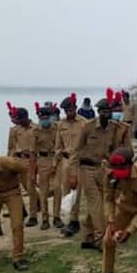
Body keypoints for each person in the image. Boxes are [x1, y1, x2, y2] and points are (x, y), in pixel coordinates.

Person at [71, 95, 126, 249]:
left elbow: (115, 149)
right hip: (86, 169)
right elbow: (77, 150)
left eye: (109, 111)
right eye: (103, 112)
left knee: (99, 203)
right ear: (98, 111)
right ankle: (102, 237)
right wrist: (73, 173)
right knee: (96, 204)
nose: (107, 115)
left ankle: (87, 237)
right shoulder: (87, 127)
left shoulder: (113, 128)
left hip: (102, 168)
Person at [55, 94, 87, 234]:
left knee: (76, 192)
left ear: (75, 108)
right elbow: (58, 145)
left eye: (71, 110)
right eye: (66, 110)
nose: (69, 113)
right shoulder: (61, 124)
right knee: (66, 192)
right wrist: (55, 162)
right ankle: (68, 220)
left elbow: (88, 144)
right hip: (65, 162)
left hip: (78, 162)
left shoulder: (84, 123)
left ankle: (74, 221)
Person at [7, 106, 40, 226]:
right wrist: (9, 160)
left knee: (30, 188)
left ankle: (33, 216)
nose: (18, 121)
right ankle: (37, 202)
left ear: (25, 117)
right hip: (17, 159)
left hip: (30, 160)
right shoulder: (15, 130)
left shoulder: (36, 128)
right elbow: (11, 146)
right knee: (23, 187)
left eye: (19, 119)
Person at [33, 105, 59, 230]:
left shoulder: (57, 128)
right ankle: (44, 218)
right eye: (41, 117)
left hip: (56, 159)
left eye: (46, 117)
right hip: (42, 160)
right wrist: (33, 170)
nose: (44, 119)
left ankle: (57, 217)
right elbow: (33, 151)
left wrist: (56, 162)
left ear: (50, 117)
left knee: (57, 189)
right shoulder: (36, 131)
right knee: (43, 192)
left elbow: (60, 146)